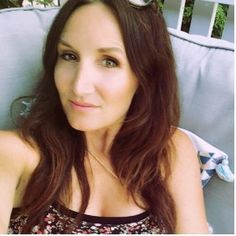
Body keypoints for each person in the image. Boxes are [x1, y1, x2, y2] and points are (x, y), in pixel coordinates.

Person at [0, 0, 209, 234]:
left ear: (146, 75)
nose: (79, 86)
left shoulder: (170, 151)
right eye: (69, 56)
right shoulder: (13, 154)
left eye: (109, 61)